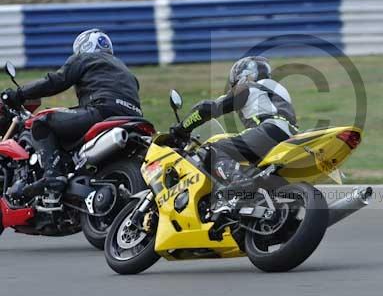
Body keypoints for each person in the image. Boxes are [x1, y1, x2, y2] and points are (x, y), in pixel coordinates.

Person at [2, 29, 143, 199]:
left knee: (42, 122)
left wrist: (20, 94)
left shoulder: (85, 58)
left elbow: (55, 81)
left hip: (102, 112)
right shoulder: (126, 71)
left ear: (83, 46)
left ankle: (53, 175)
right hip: (134, 119)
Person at [171, 56, 298, 214]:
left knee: (214, 149)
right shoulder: (276, 90)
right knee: (251, 167)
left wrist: (182, 128)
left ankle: (239, 183)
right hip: (290, 135)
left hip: (269, 130)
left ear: (242, 75)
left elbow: (208, 108)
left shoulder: (248, 86)